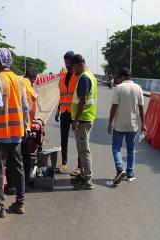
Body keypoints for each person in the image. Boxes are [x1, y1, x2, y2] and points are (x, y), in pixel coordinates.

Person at [0, 48, 28, 218]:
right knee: (18, 168)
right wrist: (24, 126)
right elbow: (25, 106)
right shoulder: (19, 80)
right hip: (17, 131)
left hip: (2, 132)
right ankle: (20, 203)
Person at [107, 68, 147, 185]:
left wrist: (110, 123)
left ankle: (120, 169)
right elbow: (141, 109)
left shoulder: (118, 88)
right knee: (131, 149)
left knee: (116, 148)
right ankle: (130, 173)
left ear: (122, 76)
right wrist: (143, 124)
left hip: (119, 125)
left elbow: (114, 107)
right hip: (132, 125)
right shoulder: (138, 88)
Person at [5, 67, 38, 194]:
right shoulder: (31, 90)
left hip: (12, 126)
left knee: (11, 157)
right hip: (25, 127)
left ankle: (12, 185)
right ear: (33, 79)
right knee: (25, 156)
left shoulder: (17, 82)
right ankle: (25, 183)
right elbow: (29, 111)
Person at [70, 54, 98, 190]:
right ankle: (83, 176)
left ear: (78, 65)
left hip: (83, 119)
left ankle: (88, 180)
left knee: (84, 150)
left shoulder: (84, 78)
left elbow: (82, 100)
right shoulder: (91, 75)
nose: (73, 72)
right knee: (82, 149)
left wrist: (76, 120)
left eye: (73, 68)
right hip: (87, 118)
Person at [54, 51, 80, 175]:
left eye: (68, 62)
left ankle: (80, 166)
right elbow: (62, 95)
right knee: (63, 139)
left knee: (78, 140)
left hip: (75, 113)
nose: (66, 64)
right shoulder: (63, 75)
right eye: (65, 62)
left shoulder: (78, 75)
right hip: (64, 112)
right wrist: (58, 111)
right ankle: (64, 163)